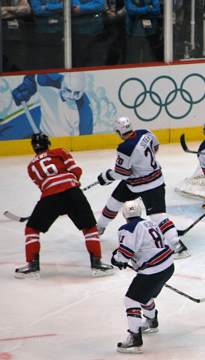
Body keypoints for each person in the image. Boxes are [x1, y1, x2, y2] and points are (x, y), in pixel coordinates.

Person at [14, 132, 114, 279]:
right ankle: (97, 264)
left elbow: (44, 187)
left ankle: (32, 265)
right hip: (72, 192)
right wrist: (72, 186)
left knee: (32, 229)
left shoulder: (31, 167)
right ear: (47, 144)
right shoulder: (60, 152)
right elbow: (76, 171)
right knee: (89, 227)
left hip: (50, 196)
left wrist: (58, 206)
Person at [96, 116, 190, 259]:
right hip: (153, 181)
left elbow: (122, 173)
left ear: (118, 132)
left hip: (138, 183)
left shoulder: (125, 147)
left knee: (114, 205)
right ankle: (178, 246)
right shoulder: (145, 132)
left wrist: (106, 176)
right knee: (156, 215)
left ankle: (99, 229)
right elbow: (156, 147)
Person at [111, 200, 175, 353]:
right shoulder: (151, 224)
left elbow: (125, 254)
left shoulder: (127, 228)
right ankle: (152, 321)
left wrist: (117, 260)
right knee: (145, 295)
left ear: (124, 214)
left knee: (131, 300)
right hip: (168, 265)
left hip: (152, 270)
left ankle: (135, 339)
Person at [11, 72, 94, 137]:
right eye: (68, 90)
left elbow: (85, 138)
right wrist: (28, 85)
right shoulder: (47, 80)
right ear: (63, 84)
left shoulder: (85, 110)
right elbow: (36, 73)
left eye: (76, 93)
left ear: (82, 91)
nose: (71, 96)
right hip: (44, 137)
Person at [29, 0, 64, 70]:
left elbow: (66, 6)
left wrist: (47, 7)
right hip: (42, 32)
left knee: (57, 60)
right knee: (43, 60)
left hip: (58, 31)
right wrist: (56, 10)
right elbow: (37, 11)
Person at [71, 0, 105, 67]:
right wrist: (92, 4)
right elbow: (75, 8)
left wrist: (82, 9)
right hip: (79, 32)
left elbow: (100, 6)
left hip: (96, 32)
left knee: (96, 61)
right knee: (79, 61)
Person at [2, 0, 32, 72]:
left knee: (17, 55)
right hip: (3, 30)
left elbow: (26, 10)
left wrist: (7, 9)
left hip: (18, 31)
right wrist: (16, 10)